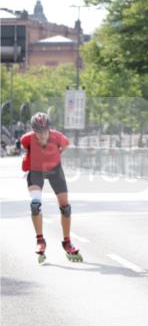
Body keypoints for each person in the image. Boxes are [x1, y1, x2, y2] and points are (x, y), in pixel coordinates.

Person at [21, 112, 83, 263]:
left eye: (44, 130)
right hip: (36, 171)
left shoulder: (58, 137)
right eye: (37, 131)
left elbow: (66, 145)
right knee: (35, 205)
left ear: (50, 128)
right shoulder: (26, 139)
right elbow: (26, 148)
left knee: (65, 207)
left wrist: (56, 154)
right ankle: (40, 240)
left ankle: (67, 242)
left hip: (55, 170)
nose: (41, 134)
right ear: (32, 129)